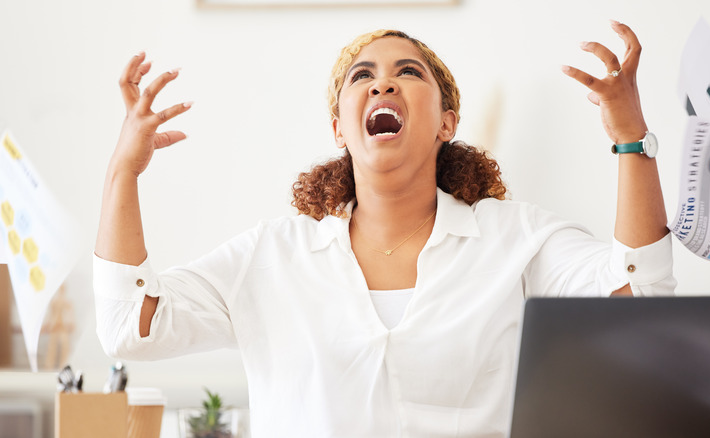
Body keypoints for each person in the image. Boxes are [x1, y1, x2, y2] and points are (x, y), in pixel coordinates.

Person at [94, 22, 675, 437]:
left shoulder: (515, 241)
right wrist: (123, 171)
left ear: (447, 122)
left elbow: (640, 298)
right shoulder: (272, 255)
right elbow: (130, 327)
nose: (382, 84)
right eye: (363, 76)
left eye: (408, 72)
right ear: (340, 128)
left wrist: (631, 138)